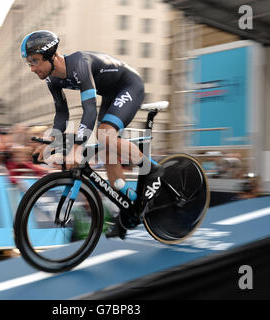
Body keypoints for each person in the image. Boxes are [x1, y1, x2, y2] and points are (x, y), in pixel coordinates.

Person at [20, 30, 163, 239]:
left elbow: (89, 111)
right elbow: (61, 115)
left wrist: (77, 148)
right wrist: (50, 143)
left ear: (51, 56)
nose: (32, 68)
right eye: (28, 62)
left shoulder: (79, 64)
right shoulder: (52, 79)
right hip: (110, 93)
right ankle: (130, 208)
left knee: (104, 135)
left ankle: (151, 169)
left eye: (35, 61)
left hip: (129, 86)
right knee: (107, 152)